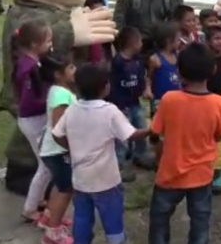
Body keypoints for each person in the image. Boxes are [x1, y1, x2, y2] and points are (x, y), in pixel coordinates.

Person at [0, 0, 117, 195]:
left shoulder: (62, 10)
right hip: (33, 95)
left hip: (59, 92)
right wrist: (70, 32)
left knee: (55, 131)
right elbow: (27, 42)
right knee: (38, 134)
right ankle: (25, 172)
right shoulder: (24, 15)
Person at [52, 63, 151, 244]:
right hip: (106, 181)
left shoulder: (72, 109)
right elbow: (132, 134)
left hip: (81, 180)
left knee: (82, 217)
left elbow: (56, 134)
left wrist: (70, 148)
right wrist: (152, 130)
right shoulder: (109, 111)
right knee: (112, 219)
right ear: (106, 87)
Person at [148, 43, 221, 244]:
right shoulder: (220, 104)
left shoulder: (169, 99)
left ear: (179, 71)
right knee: (200, 222)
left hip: (169, 174)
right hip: (202, 176)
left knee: (159, 220)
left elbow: (155, 133)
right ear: (213, 70)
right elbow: (220, 136)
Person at [12, 20, 54, 222]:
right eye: (48, 41)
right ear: (34, 45)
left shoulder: (31, 63)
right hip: (33, 121)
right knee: (46, 165)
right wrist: (52, 98)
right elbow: (31, 102)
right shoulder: (30, 69)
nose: (51, 44)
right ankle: (30, 209)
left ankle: (39, 200)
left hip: (35, 119)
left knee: (46, 164)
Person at [38, 53, 76, 244]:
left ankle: (48, 218)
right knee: (66, 189)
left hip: (52, 150)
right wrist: (69, 148)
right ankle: (52, 233)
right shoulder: (62, 95)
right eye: (70, 68)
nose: (74, 70)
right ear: (58, 74)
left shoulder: (57, 90)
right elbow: (57, 128)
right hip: (58, 151)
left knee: (59, 186)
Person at [109, 26, 155, 180]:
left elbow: (141, 78)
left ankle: (140, 155)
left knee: (141, 127)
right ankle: (120, 165)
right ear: (132, 43)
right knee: (122, 136)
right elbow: (113, 84)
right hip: (122, 105)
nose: (142, 44)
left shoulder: (138, 61)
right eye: (140, 41)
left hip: (135, 102)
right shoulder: (117, 63)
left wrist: (144, 90)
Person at [145, 22, 181, 114]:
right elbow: (149, 77)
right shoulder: (155, 59)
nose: (180, 42)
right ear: (169, 41)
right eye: (177, 40)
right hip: (160, 100)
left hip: (177, 99)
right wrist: (148, 89)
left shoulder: (178, 56)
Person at [84, 0, 113, 64]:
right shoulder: (82, 37)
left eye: (102, 12)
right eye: (96, 12)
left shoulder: (108, 33)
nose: (100, 16)